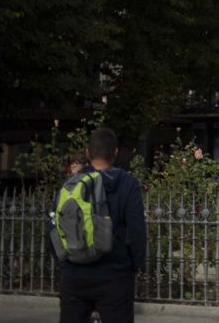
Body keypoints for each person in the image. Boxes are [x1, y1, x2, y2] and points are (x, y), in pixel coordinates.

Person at [55, 128, 147, 323]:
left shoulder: (71, 184)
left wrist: (64, 265)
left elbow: (54, 229)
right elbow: (137, 231)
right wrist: (133, 265)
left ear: (88, 153)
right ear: (115, 152)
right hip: (114, 275)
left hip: (74, 274)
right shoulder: (127, 184)